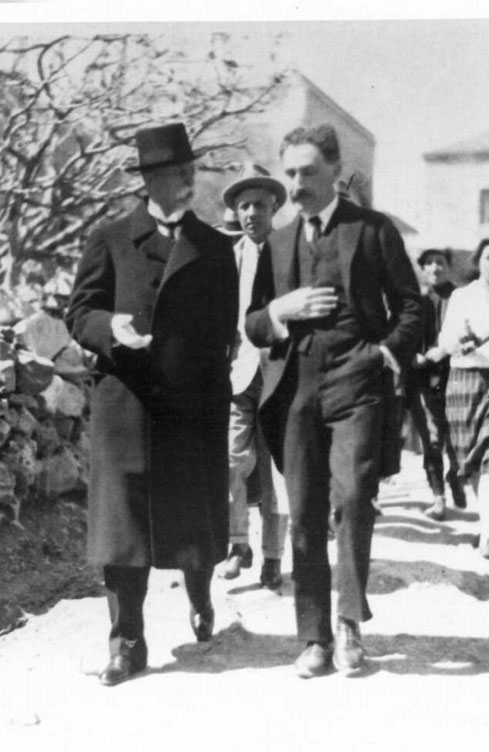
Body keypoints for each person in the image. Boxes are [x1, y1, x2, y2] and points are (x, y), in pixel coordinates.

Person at [245, 124, 422, 678]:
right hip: (295, 391)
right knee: (303, 515)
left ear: (333, 171)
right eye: (290, 173)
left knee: (352, 499)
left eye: (308, 173)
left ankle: (349, 624)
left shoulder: (372, 230)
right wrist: (283, 309)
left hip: (358, 386)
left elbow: (414, 307)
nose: (296, 185)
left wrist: (384, 354)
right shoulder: (273, 242)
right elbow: (253, 325)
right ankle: (314, 636)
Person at [65, 122, 238, 686]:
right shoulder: (111, 239)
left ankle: (200, 593)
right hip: (127, 404)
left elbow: (225, 330)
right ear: (151, 181)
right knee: (124, 528)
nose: (189, 179)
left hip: (190, 408)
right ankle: (126, 642)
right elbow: (79, 313)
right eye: (178, 172)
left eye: (191, 170)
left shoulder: (215, 248)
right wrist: (110, 327)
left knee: (192, 518)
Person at [220, 164, 290, 589]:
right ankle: (236, 544)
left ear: (274, 208)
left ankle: (272, 557)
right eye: (243, 206)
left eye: (259, 205)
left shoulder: (289, 254)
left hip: (280, 375)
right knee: (231, 461)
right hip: (238, 373)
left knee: (275, 471)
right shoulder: (229, 259)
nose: (251, 214)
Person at [435, 236, 489, 559]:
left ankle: (487, 535)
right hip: (465, 381)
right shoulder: (462, 296)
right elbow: (447, 338)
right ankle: (486, 518)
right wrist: (459, 341)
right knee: (468, 459)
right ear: (478, 261)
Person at [406, 248, 468, 520]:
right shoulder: (414, 300)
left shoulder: (461, 297)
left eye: (440, 262)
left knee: (458, 439)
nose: (434, 268)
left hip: (456, 375)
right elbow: (403, 335)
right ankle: (438, 496)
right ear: (422, 268)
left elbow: (468, 332)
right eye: (429, 263)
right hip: (422, 378)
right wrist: (413, 356)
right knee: (431, 439)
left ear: (448, 266)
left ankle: (456, 476)